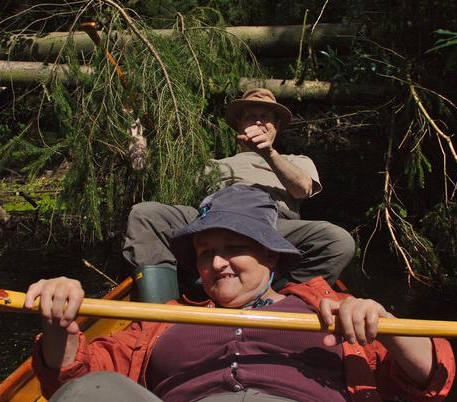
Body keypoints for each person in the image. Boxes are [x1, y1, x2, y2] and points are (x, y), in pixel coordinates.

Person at [27, 185, 455, 402]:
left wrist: (388, 324)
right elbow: (72, 379)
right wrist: (58, 324)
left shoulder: (328, 310)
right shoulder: (164, 318)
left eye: (233, 248)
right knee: (90, 396)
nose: (217, 264)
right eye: (205, 253)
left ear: (270, 255)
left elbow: (428, 381)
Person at [123, 87, 356, 302]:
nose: (258, 121)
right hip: (213, 218)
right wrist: (135, 130)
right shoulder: (213, 164)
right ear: (238, 124)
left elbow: (302, 188)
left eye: (265, 117)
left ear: (275, 127)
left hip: (272, 224)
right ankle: (159, 316)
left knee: (338, 241)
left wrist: (269, 154)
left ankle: (280, 302)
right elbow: (151, 172)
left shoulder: (296, 161)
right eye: (250, 116)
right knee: (146, 214)